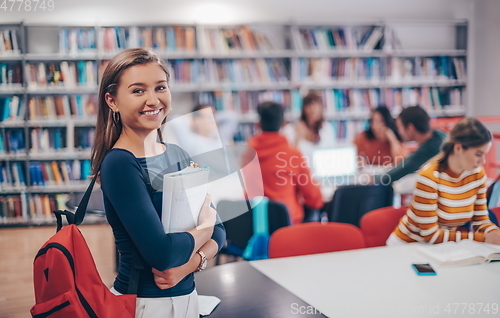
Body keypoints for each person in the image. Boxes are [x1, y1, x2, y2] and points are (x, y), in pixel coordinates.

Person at [90, 48, 226, 318]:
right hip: (143, 305)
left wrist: (189, 265)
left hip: (188, 297)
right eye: (138, 91)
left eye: (160, 87)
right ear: (112, 101)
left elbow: (221, 233)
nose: (153, 100)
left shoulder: (177, 153)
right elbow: (162, 254)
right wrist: (205, 226)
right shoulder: (119, 164)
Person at [387, 117, 500, 246]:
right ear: (458, 148)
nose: (483, 162)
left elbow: (481, 220)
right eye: (478, 154)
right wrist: (482, 238)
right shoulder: (429, 177)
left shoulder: (477, 174)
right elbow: (430, 235)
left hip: (441, 247)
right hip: (409, 245)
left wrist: (495, 234)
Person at [241, 101, 323, 225]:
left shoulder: (248, 153)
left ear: (258, 124)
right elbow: (313, 198)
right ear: (283, 124)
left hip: (256, 221)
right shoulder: (292, 154)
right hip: (288, 222)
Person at [377, 105, 447, 185]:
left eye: (399, 127)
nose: (399, 132)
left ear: (410, 129)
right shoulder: (439, 135)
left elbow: (403, 168)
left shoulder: (430, 149)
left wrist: (374, 179)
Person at [282, 92, 335, 166]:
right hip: (300, 172)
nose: (313, 109)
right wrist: (298, 137)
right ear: (303, 109)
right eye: (309, 105)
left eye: (316, 105)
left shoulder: (327, 128)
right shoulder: (291, 129)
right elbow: (288, 159)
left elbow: (331, 155)